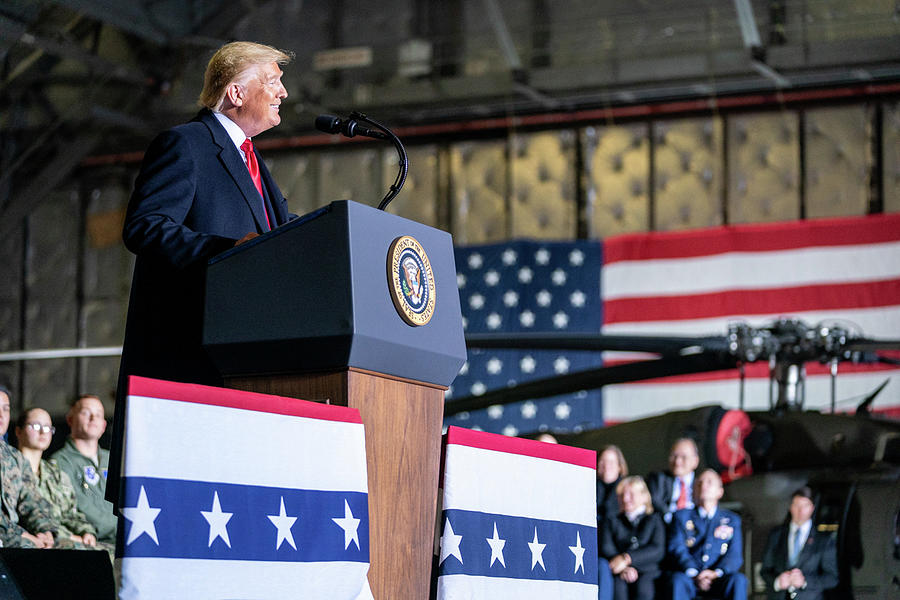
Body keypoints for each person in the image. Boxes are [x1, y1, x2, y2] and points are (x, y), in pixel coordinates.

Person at [110, 41, 295, 505]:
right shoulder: (186, 144)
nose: (284, 93)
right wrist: (228, 251)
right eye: (273, 81)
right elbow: (146, 227)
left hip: (248, 364)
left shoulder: (253, 161)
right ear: (236, 92)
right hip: (190, 361)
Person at [16, 407, 108, 553]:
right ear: (18, 431)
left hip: (67, 541)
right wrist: (70, 537)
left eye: (47, 428)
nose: (42, 432)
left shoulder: (55, 474)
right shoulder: (12, 469)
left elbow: (71, 514)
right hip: (33, 543)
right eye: (36, 426)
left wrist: (86, 532)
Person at [667, 469, 747, 600]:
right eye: (699, 483)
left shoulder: (732, 520)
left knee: (738, 580)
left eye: (709, 482)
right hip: (690, 577)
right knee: (677, 581)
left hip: (718, 578)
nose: (703, 486)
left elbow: (734, 555)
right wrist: (694, 572)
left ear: (720, 491)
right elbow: (677, 547)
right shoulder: (681, 516)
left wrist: (715, 573)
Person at [51, 394, 117, 547]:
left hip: (122, 542)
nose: (93, 418)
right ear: (70, 419)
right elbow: (72, 509)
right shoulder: (60, 463)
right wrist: (117, 526)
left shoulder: (114, 460)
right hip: (90, 544)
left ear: (104, 425)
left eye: (98, 414)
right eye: (86, 412)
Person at [0, 385, 58, 548]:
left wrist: (45, 530)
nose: (1, 416)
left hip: (11, 535)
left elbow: (32, 500)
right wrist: (25, 536)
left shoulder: (15, 458)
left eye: (6, 409)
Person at [761, 486, 839, 600]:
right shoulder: (776, 535)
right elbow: (765, 570)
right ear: (790, 507)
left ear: (812, 508)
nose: (801, 511)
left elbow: (832, 578)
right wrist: (777, 582)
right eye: (797, 505)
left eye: (805, 506)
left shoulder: (824, 540)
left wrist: (805, 581)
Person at [600, 475, 665, 600]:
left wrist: (628, 559)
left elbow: (657, 549)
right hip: (619, 571)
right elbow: (607, 547)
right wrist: (623, 567)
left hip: (647, 571)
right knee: (618, 589)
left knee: (644, 590)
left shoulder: (655, 519)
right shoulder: (612, 521)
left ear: (644, 496)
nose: (625, 499)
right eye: (621, 495)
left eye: (630, 494)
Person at [597, 445, 628, 600]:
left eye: (611, 462)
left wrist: (623, 561)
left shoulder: (628, 494)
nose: (605, 466)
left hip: (620, 555)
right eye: (602, 461)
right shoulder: (587, 489)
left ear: (620, 467)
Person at [646, 437, 700, 522]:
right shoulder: (658, 479)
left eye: (683, 457)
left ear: (695, 461)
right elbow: (655, 502)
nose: (677, 461)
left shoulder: (701, 484)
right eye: (674, 456)